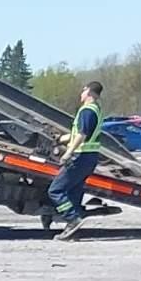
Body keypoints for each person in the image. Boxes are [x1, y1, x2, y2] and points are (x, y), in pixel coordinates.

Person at [51, 81, 107, 238]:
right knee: (74, 191)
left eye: (83, 91)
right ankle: (73, 228)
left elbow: (82, 135)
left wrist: (68, 152)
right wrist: (61, 138)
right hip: (90, 157)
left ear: (89, 92)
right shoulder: (96, 110)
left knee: (56, 190)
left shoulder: (87, 111)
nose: (80, 94)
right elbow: (81, 134)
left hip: (80, 156)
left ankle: (72, 218)